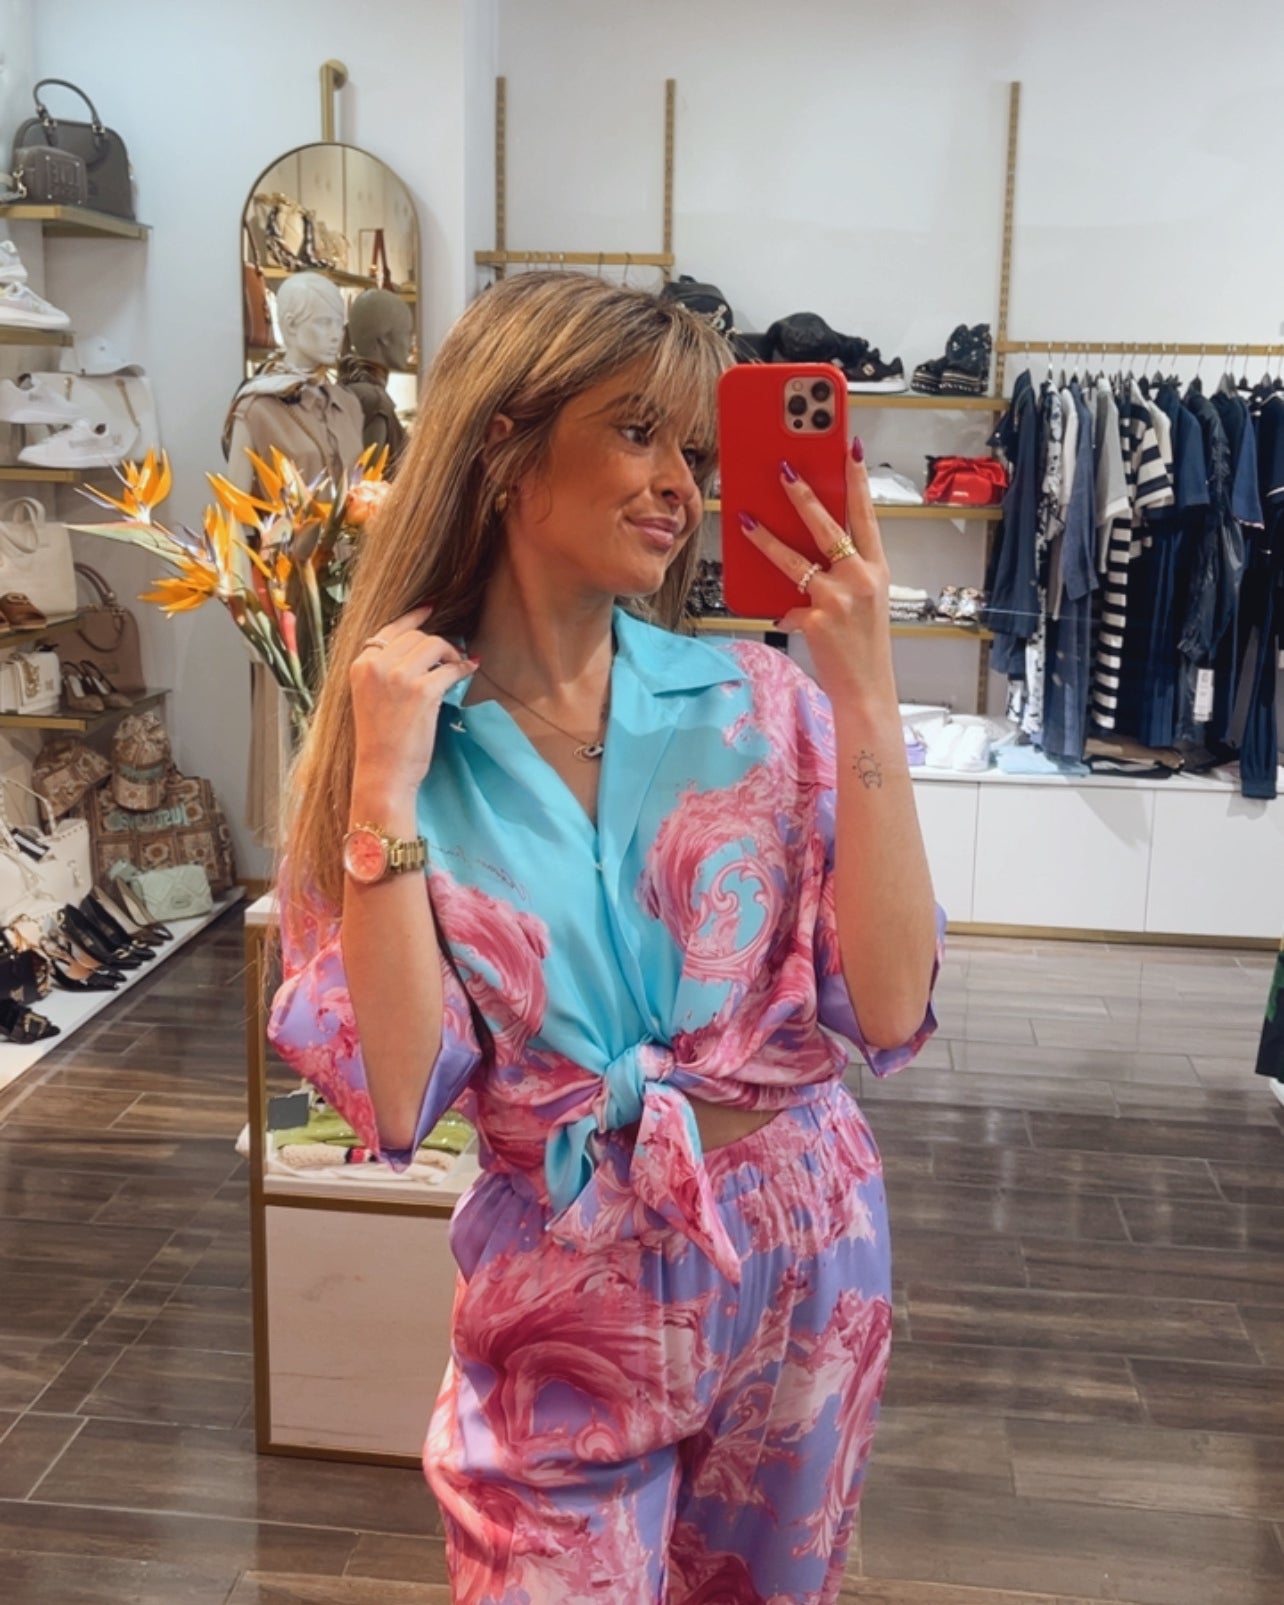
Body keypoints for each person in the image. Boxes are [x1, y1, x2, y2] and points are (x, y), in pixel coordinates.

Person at [269, 271, 942, 1605]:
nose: (681, 487)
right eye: (639, 434)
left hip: (801, 1244)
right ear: (507, 446)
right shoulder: (403, 744)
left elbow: (890, 1003)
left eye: (695, 454)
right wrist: (383, 792)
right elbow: (396, 1095)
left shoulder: (762, 701)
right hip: (564, 1275)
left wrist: (865, 693)